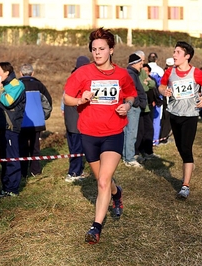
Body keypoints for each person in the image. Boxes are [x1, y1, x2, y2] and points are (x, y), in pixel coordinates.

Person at [63, 27, 137, 244]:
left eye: (102, 49)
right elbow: (67, 97)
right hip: (88, 134)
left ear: (111, 50)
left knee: (103, 182)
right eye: (94, 49)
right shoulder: (82, 73)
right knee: (103, 180)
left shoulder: (122, 74)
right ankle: (117, 193)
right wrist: (80, 100)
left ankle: (95, 227)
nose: (97, 53)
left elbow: (132, 95)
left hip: (113, 133)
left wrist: (127, 105)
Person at [158, 41, 202, 199]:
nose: (174, 55)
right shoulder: (170, 72)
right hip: (174, 114)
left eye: (177, 52)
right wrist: (165, 91)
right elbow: (161, 86)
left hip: (190, 115)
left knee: (186, 148)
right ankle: (188, 164)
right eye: (174, 51)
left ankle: (185, 185)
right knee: (181, 148)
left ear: (187, 56)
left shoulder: (196, 73)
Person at [0, 62, 26, 197]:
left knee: (12, 158)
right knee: (4, 159)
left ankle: (12, 189)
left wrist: (0, 89)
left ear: (7, 73)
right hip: (1, 128)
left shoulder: (16, 85)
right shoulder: (5, 85)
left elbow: (8, 101)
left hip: (11, 128)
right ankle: (5, 188)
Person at [18, 63, 52, 178]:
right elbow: (47, 103)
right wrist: (44, 116)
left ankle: (22, 172)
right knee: (35, 147)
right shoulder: (39, 85)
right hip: (37, 122)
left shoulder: (16, 86)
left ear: (20, 73)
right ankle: (35, 171)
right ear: (33, 73)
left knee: (21, 148)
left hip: (20, 122)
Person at [62, 56, 89, 181]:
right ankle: (74, 173)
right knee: (77, 146)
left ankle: (76, 170)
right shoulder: (82, 78)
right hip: (77, 116)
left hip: (69, 116)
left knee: (73, 145)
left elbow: (65, 96)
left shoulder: (71, 76)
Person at [123, 54, 146, 168]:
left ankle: (125, 155)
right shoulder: (131, 74)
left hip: (131, 106)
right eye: (140, 63)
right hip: (133, 107)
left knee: (127, 132)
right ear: (135, 63)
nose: (141, 66)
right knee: (131, 132)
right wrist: (138, 104)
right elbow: (131, 91)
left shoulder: (131, 74)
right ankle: (129, 158)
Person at [134, 50, 157, 160]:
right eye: (141, 61)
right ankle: (136, 152)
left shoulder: (142, 71)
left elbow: (152, 83)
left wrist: (147, 83)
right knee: (139, 130)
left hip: (146, 106)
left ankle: (148, 151)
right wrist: (146, 84)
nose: (143, 64)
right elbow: (142, 88)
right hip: (137, 105)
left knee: (149, 129)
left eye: (143, 61)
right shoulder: (133, 72)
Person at [147, 52, 164, 147]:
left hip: (146, 98)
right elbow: (163, 85)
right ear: (156, 60)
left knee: (146, 119)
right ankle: (155, 140)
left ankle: (146, 140)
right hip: (157, 98)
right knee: (156, 119)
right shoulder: (160, 70)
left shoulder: (143, 69)